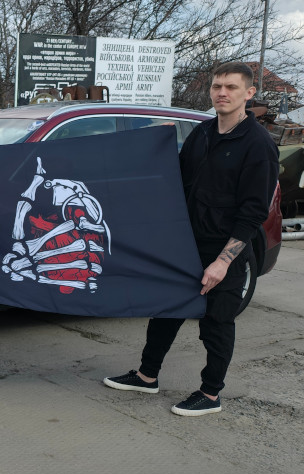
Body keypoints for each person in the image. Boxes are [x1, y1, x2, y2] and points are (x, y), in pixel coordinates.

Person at [103, 62, 279, 416]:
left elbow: (253, 212)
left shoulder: (258, 145)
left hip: (223, 249)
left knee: (216, 322)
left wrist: (223, 261)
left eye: (230, 87)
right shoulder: (202, 133)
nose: (222, 93)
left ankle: (211, 394)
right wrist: (156, 142)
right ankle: (147, 375)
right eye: (217, 87)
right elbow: (173, 180)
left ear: (249, 93)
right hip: (185, 243)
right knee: (165, 309)